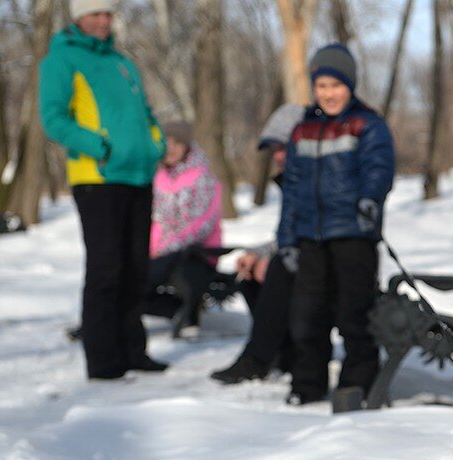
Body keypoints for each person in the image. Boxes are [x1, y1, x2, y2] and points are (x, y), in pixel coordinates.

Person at [39, 0, 167, 379]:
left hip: (138, 176)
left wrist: (155, 143)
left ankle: (133, 351)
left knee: (135, 269)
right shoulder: (61, 59)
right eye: (95, 13)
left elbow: (146, 113)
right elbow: (53, 119)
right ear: (79, 17)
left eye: (107, 14)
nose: (102, 21)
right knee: (106, 269)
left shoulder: (121, 62)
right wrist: (101, 147)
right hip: (97, 178)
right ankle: (103, 360)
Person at [277, 44, 396, 405]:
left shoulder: (367, 124)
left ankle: (357, 382)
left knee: (354, 314)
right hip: (310, 237)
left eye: (336, 85)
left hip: (353, 235)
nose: (329, 93)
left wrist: (369, 199)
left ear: (350, 86)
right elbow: (292, 189)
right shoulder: (302, 131)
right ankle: (307, 384)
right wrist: (286, 237)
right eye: (322, 85)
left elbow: (378, 169)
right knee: (306, 316)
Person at [210, 103, 305, 384]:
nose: (277, 156)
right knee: (249, 274)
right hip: (304, 258)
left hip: (330, 265)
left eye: (283, 147)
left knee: (276, 271)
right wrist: (257, 254)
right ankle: (284, 352)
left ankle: (257, 358)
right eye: (274, 149)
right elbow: (287, 237)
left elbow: (311, 237)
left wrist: (275, 259)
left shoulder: (314, 181)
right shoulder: (293, 182)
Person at [143, 121, 223, 333]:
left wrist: (169, 247)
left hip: (197, 252)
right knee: (134, 278)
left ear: (186, 145)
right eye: (165, 143)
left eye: (176, 143)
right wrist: (152, 250)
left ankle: (190, 313)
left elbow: (201, 223)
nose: (170, 148)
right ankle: (176, 310)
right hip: (163, 252)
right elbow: (157, 221)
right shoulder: (157, 178)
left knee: (182, 271)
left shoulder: (202, 177)